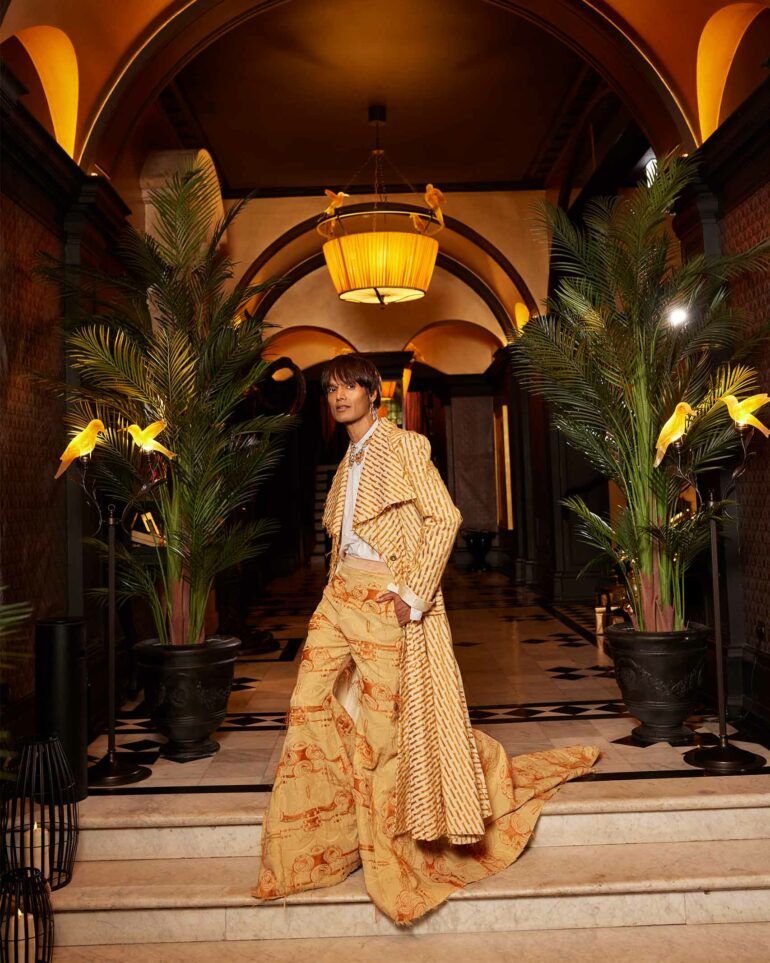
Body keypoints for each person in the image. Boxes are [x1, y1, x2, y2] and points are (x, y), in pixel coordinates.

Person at [253, 354, 598, 924]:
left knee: (386, 728)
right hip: (339, 598)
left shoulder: (406, 446)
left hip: (386, 601)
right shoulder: (345, 463)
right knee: (307, 705)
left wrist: (411, 591)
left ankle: (394, 841)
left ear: (372, 392)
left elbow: (444, 517)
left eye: (349, 388)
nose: (339, 397)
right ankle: (313, 850)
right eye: (331, 390)